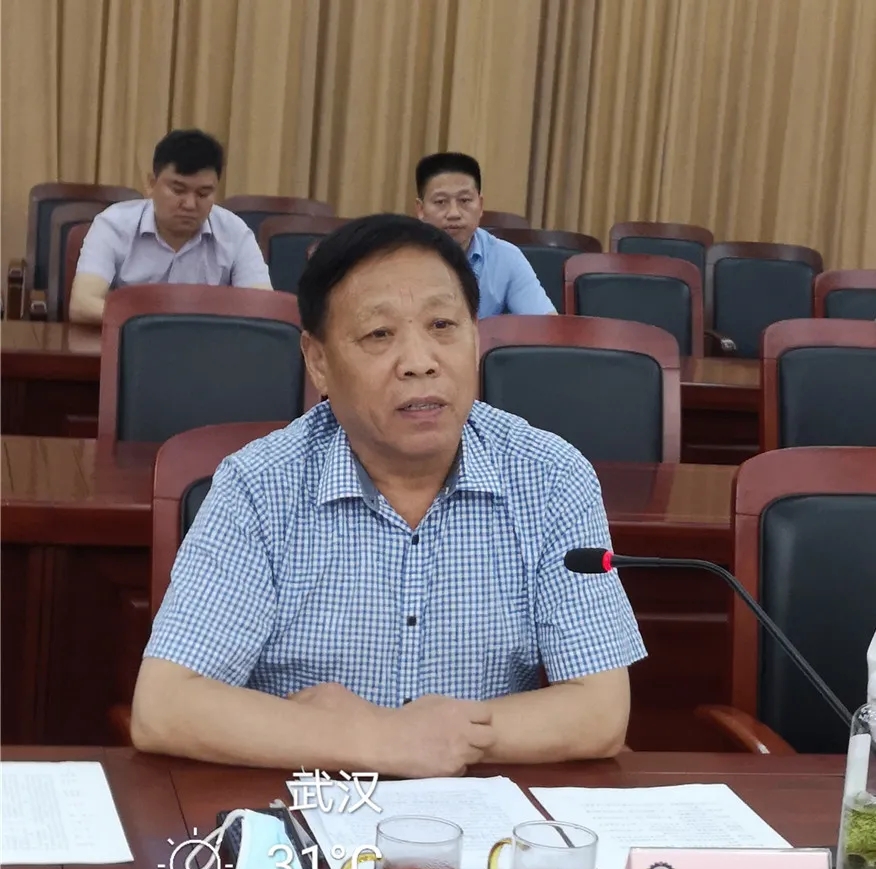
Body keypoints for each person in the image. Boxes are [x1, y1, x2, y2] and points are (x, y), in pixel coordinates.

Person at [130, 214, 646, 776]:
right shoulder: (259, 486)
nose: (420, 362)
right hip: (303, 809)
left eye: (443, 325)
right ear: (319, 361)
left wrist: (441, 739)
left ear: (476, 337)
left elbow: (599, 712)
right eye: (379, 334)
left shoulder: (551, 477)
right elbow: (165, 706)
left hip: (473, 815)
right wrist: (377, 740)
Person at [69, 129, 272, 324]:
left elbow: (263, 309)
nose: (190, 204)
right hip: (133, 343)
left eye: (203, 193)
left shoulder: (235, 232)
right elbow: (82, 304)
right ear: (151, 184)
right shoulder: (113, 225)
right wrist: (153, 326)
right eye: (178, 190)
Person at [415, 151, 555, 318]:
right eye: (440, 202)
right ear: (421, 210)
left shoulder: (506, 257)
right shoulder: (401, 257)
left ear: (480, 205)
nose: (454, 213)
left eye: (464, 200)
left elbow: (545, 325)